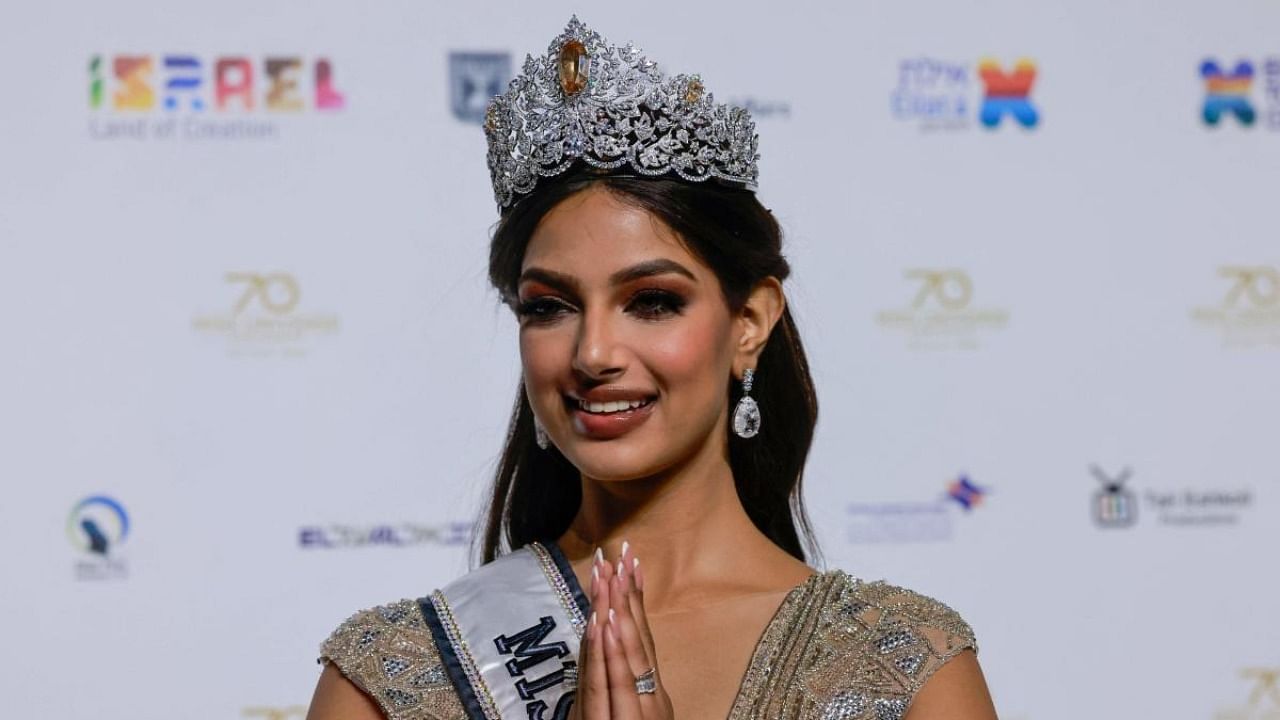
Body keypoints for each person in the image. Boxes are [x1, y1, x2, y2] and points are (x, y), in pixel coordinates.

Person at [306, 17, 997, 720]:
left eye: (653, 301)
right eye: (550, 307)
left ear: (750, 323)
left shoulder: (905, 665)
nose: (594, 354)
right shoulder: (389, 674)